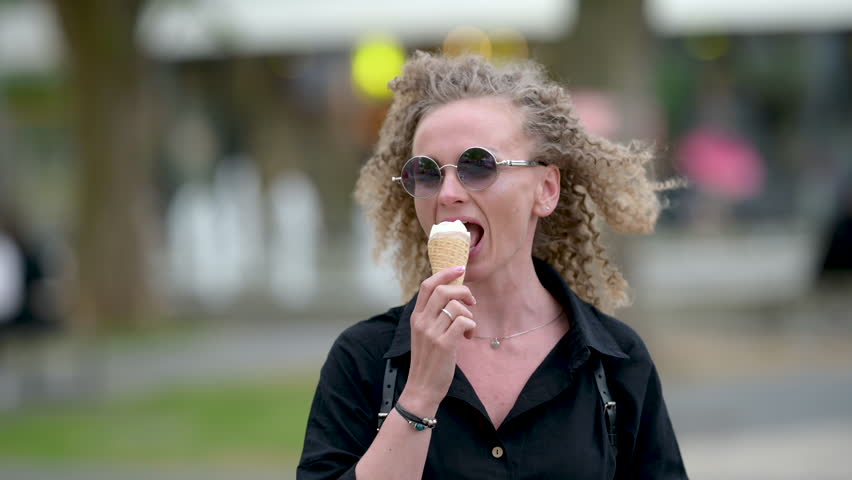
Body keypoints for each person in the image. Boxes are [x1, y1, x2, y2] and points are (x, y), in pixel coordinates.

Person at [298, 52, 687, 479]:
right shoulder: (364, 360)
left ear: (546, 189)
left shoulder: (616, 363)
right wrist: (420, 395)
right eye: (427, 172)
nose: (447, 193)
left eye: (477, 165)